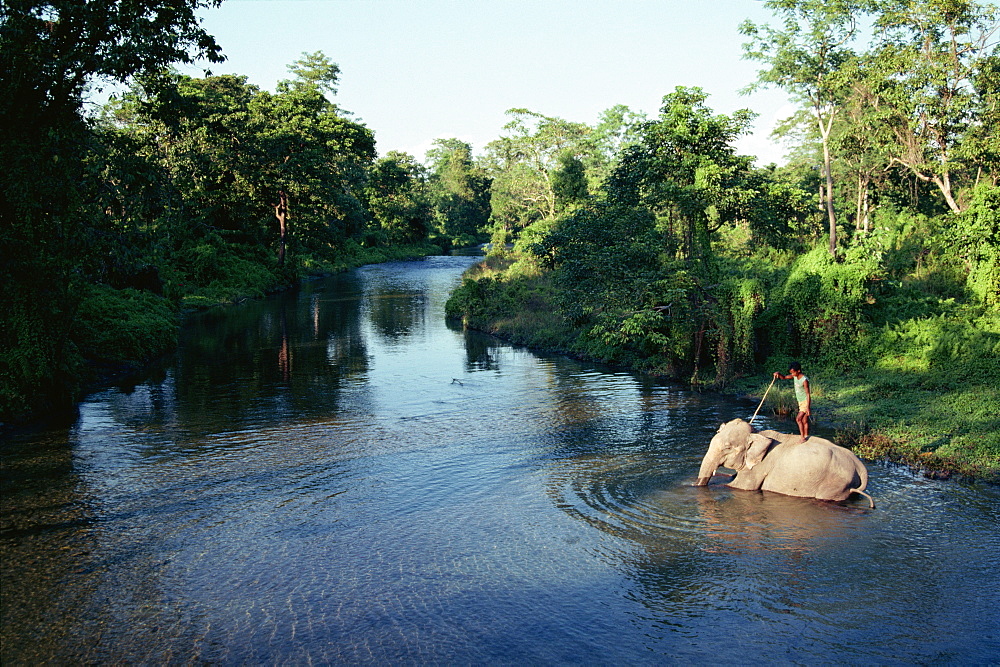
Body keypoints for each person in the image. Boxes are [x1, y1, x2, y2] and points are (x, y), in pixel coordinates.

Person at [774, 362, 811, 442]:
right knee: (804, 421)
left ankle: (802, 438)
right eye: (791, 373)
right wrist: (778, 374)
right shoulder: (794, 376)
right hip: (800, 401)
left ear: (798, 371)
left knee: (798, 419)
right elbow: (783, 377)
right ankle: (806, 435)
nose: (792, 374)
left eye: (793, 372)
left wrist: (808, 407)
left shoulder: (804, 380)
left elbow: (808, 394)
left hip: (805, 402)